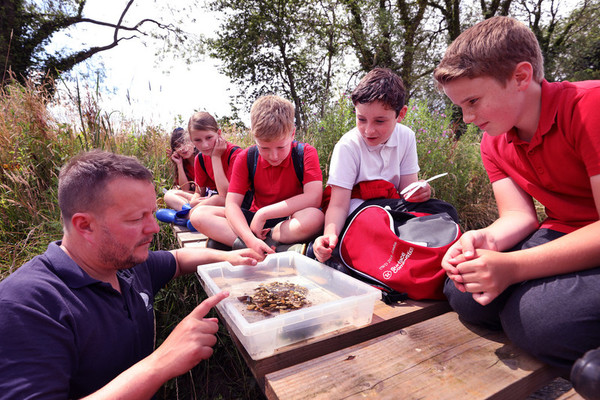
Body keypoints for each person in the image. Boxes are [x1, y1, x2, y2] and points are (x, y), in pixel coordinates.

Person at [0, 150, 261, 399]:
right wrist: (160, 363)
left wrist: (228, 256)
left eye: (152, 213)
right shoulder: (25, 305)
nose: (154, 228)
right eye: (137, 219)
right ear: (85, 225)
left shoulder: (125, 265)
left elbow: (179, 259)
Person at [433, 16, 600, 398]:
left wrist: (514, 267)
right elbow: (519, 216)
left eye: (473, 101)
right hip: (565, 231)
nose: (468, 118)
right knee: (464, 293)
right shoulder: (494, 141)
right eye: (460, 106)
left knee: (541, 321)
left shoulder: (590, 106)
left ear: (521, 76)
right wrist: (483, 240)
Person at [313, 67, 435, 263]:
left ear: (401, 114)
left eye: (379, 121)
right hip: (360, 211)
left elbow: (407, 193)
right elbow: (338, 204)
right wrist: (329, 235)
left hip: (392, 206)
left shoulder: (406, 137)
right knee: (377, 221)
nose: (368, 130)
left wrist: (420, 191)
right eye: (361, 119)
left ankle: (410, 250)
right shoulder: (348, 145)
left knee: (443, 210)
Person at [191, 95, 324, 256]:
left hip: (287, 221)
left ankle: (248, 244)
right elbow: (232, 204)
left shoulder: (305, 153)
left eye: (281, 147)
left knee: (315, 217)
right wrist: (250, 238)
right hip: (253, 223)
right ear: (254, 137)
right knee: (198, 215)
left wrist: (264, 213)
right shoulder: (246, 157)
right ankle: (262, 247)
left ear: (292, 134)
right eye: (265, 148)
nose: (274, 156)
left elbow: (314, 197)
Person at [163, 127, 197, 211]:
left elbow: (200, 191)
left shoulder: (203, 158)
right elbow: (185, 189)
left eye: (185, 143)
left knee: (171, 194)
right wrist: (179, 164)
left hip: (207, 198)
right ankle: (190, 212)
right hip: (194, 199)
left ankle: (190, 213)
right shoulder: (184, 163)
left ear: (193, 142)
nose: (182, 148)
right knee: (169, 195)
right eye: (178, 146)